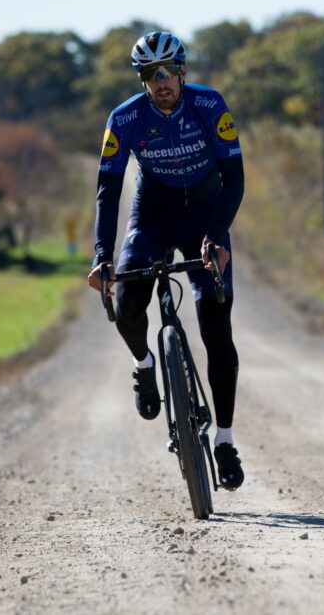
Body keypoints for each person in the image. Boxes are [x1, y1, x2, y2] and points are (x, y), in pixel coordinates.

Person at [86, 31, 245, 490]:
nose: (160, 82)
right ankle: (144, 365)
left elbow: (234, 180)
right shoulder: (125, 119)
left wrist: (215, 237)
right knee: (130, 300)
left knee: (216, 322)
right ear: (141, 80)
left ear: (183, 72)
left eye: (168, 73)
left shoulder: (210, 106)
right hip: (152, 212)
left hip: (204, 213)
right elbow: (108, 191)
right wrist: (102, 255)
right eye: (149, 75)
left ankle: (225, 440)